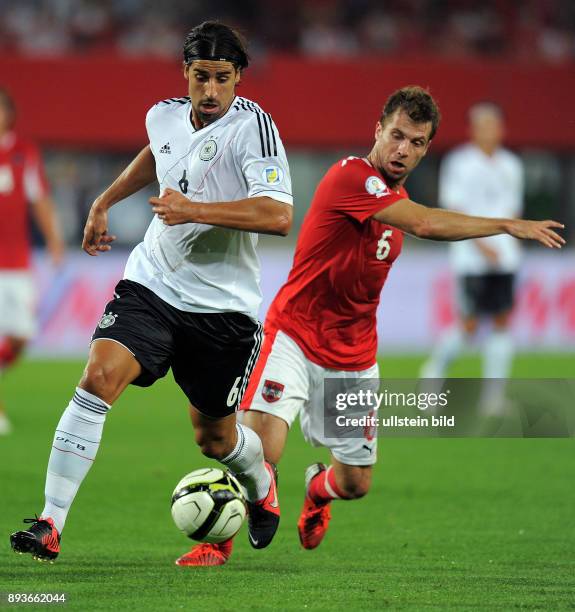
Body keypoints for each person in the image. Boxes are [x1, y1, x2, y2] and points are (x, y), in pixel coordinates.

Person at [178, 86, 564, 566]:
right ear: (377, 130)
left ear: (426, 148)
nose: (404, 150)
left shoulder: (395, 198)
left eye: (417, 143)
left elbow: (416, 220)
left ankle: (317, 492)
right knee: (261, 449)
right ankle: (218, 542)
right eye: (397, 136)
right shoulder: (350, 176)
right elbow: (424, 225)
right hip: (294, 336)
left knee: (355, 484)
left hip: (353, 356)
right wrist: (507, 225)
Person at [10, 21, 293, 564]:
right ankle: (51, 521)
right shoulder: (163, 113)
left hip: (223, 309)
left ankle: (262, 485)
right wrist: (104, 200)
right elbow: (158, 154)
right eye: (201, 77)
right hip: (154, 282)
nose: (211, 91)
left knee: (215, 438)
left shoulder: (254, 128)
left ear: (240, 79)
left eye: (223, 79)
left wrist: (195, 210)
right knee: (97, 378)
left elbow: (279, 214)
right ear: (185, 73)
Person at [419, 102, 524, 412]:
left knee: (503, 321)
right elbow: (455, 209)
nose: (489, 131)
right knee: (469, 324)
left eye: (494, 125)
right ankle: (433, 373)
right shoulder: (459, 163)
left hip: (505, 257)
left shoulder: (511, 165)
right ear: (473, 130)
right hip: (471, 258)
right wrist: (482, 244)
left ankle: (493, 398)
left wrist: (509, 243)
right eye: (483, 125)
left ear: (501, 129)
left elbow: (514, 210)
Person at [0, 88, 64, 435]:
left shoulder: (23, 154)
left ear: (9, 114)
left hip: (16, 262)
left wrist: (54, 240)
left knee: (22, 337)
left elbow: (39, 199)